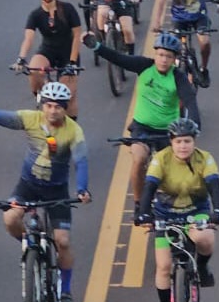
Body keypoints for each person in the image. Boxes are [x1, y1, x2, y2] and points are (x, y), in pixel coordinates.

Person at [0, 82, 91, 302]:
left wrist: (81, 189)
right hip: (28, 186)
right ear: (42, 105)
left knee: (63, 241)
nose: (52, 111)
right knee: (10, 219)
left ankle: (65, 291)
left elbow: (81, 162)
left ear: (65, 109)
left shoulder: (74, 132)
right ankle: (28, 242)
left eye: (58, 107)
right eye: (48, 106)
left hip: (56, 191)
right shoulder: (30, 119)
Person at [84, 31, 199, 216]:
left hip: (168, 131)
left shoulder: (178, 77)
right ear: (155, 54)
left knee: (174, 168)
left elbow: (191, 102)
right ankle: (139, 205)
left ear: (175, 59)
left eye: (168, 56)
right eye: (160, 55)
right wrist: (96, 46)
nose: (163, 60)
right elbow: (118, 58)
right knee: (138, 159)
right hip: (142, 128)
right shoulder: (144, 66)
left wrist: (194, 127)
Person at [136, 119, 219, 302]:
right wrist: (143, 212)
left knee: (204, 239)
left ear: (194, 142)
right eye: (178, 142)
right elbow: (149, 187)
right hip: (165, 214)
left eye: (187, 141)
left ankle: (202, 267)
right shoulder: (161, 159)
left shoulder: (205, 159)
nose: (183, 146)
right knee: (164, 267)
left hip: (196, 211)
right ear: (171, 142)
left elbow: (214, 186)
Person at [13, 0, 82, 119]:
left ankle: (73, 129)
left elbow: (77, 35)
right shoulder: (36, 14)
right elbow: (29, 37)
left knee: (68, 96)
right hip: (48, 50)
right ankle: (43, 97)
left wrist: (73, 63)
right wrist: (21, 58)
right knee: (33, 70)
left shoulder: (68, 8)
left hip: (68, 53)